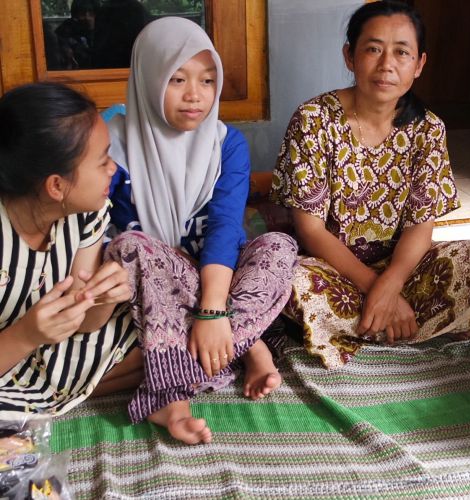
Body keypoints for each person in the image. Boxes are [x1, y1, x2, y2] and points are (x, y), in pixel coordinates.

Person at [271, 0, 470, 370]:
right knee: (291, 281)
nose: (386, 65)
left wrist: (391, 284)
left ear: (419, 64)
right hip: (332, 268)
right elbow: (310, 229)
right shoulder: (313, 119)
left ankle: (364, 325)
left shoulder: (428, 129)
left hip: (404, 271)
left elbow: (421, 227)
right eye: (373, 49)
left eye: (401, 52)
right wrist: (373, 287)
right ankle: (400, 323)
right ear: (350, 56)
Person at [105, 17, 297, 444]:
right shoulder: (110, 147)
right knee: (133, 246)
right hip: (144, 294)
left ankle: (191, 360)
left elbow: (226, 226)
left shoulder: (226, 144)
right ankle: (240, 350)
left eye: (208, 80)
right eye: (176, 79)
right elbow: (93, 230)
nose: (196, 95)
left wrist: (212, 310)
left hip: (215, 283)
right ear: (148, 79)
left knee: (279, 247)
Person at [0, 82, 142, 418]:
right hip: (9, 349)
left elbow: (86, 324)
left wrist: (101, 298)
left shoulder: (87, 212)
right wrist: (26, 335)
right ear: (56, 185)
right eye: (103, 160)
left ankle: (45, 397)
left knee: (168, 335)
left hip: (54, 345)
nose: (114, 169)